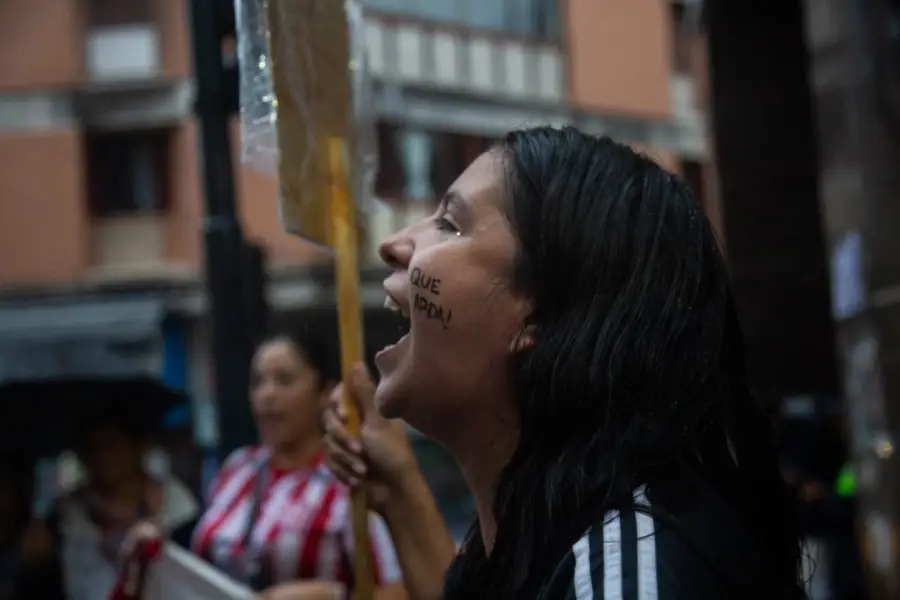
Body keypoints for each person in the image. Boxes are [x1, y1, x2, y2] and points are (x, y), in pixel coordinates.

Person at [323, 127, 807, 599]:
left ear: (542, 317)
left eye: (449, 224)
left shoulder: (620, 571)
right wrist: (397, 491)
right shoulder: (547, 539)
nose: (395, 245)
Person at [190, 330, 404, 600]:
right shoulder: (238, 468)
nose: (267, 394)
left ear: (325, 392)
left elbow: (398, 591)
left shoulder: (350, 475)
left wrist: (332, 596)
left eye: (284, 380)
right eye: (258, 382)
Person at [26, 405, 199, 600]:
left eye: (111, 444)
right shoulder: (63, 514)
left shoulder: (174, 502)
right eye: (90, 446)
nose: (100, 455)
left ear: (139, 446)